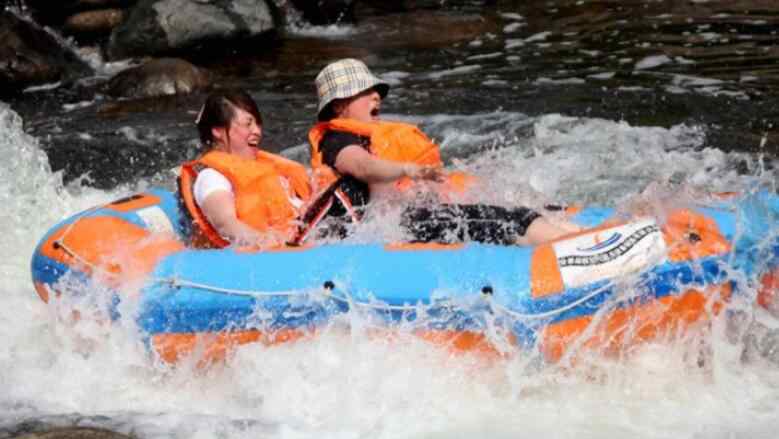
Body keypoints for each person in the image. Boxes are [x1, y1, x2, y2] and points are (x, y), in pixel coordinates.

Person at [307, 58, 579, 246]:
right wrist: (406, 169)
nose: (376, 96)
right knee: (506, 219)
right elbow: (363, 167)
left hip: (393, 223)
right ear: (339, 106)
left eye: (376, 91)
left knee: (506, 204)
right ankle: (576, 249)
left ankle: (579, 233)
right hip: (375, 234)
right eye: (364, 92)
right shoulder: (336, 139)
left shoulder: (374, 139)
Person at [179, 89, 312, 248]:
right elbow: (226, 224)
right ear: (218, 131)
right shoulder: (211, 177)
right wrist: (264, 242)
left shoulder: (266, 167)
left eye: (257, 124)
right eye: (248, 124)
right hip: (265, 256)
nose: (257, 131)